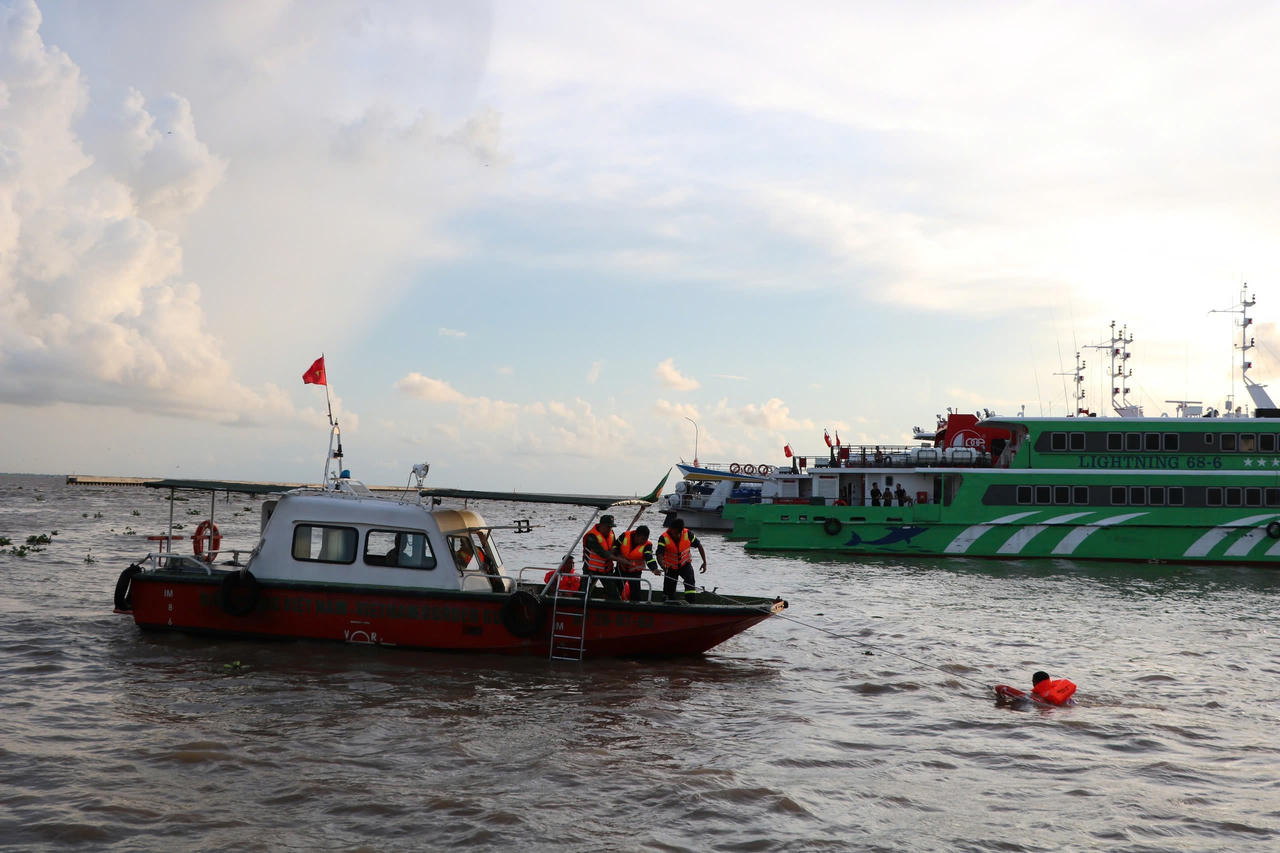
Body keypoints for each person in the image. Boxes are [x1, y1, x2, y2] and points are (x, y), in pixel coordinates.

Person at [656, 518, 706, 604]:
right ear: (671, 529)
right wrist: (662, 566)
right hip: (670, 567)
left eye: (680, 533)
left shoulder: (688, 533)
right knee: (669, 590)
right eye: (676, 533)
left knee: (690, 582)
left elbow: (699, 546)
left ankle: (691, 603)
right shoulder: (663, 538)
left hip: (685, 564)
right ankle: (668, 603)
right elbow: (659, 554)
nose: (678, 535)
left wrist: (704, 562)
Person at [614, 524, 659, 602]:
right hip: (620, 569)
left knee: (635, 594)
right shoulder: (624, 536)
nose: (644, 541)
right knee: (615, 590)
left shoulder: (647, 545)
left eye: (646, 539)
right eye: (643, 539)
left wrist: (654, 569)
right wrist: (619, 556)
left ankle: (635, 606)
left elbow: (649, 557)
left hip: (635, 573)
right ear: (636, 536)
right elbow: (615, 546)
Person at [581, 513, 619, 599]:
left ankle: (613, 604)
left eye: (611, 527)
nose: (609, 529)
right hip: (591, 570)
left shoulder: (611, 534)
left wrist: (620, 554)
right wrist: (621, 560)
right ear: (601, 525)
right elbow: (603, 553)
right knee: (584, 593)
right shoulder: (591, 536)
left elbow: (615, 547)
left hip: (606, 569)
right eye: (608, 527)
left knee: (614, 594)